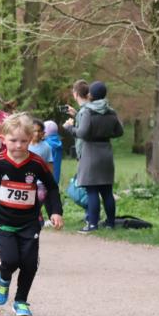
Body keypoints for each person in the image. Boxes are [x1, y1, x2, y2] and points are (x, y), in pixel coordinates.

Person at [0, 113, 64, 316]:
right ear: (3, 139)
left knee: (29, 263)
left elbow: (51, 187)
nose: (19, 145)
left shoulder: (36, 163)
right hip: (3, 222)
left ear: (31, 140)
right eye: (13, 140)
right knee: (10, 260)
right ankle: (4, 279)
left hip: (30, 222)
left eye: (24, 141)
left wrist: (55, 211)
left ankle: (21, 300)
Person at [63, 80, 124, 232]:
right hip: (106, 151)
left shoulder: (88, 111)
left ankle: (92, 224)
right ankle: (110, 224)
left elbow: (82, 133)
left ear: (90, 94)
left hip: (90, 152)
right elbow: (119, 131)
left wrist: (70, 128)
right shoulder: (110, 111)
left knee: (92, 190)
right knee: (107, 191)